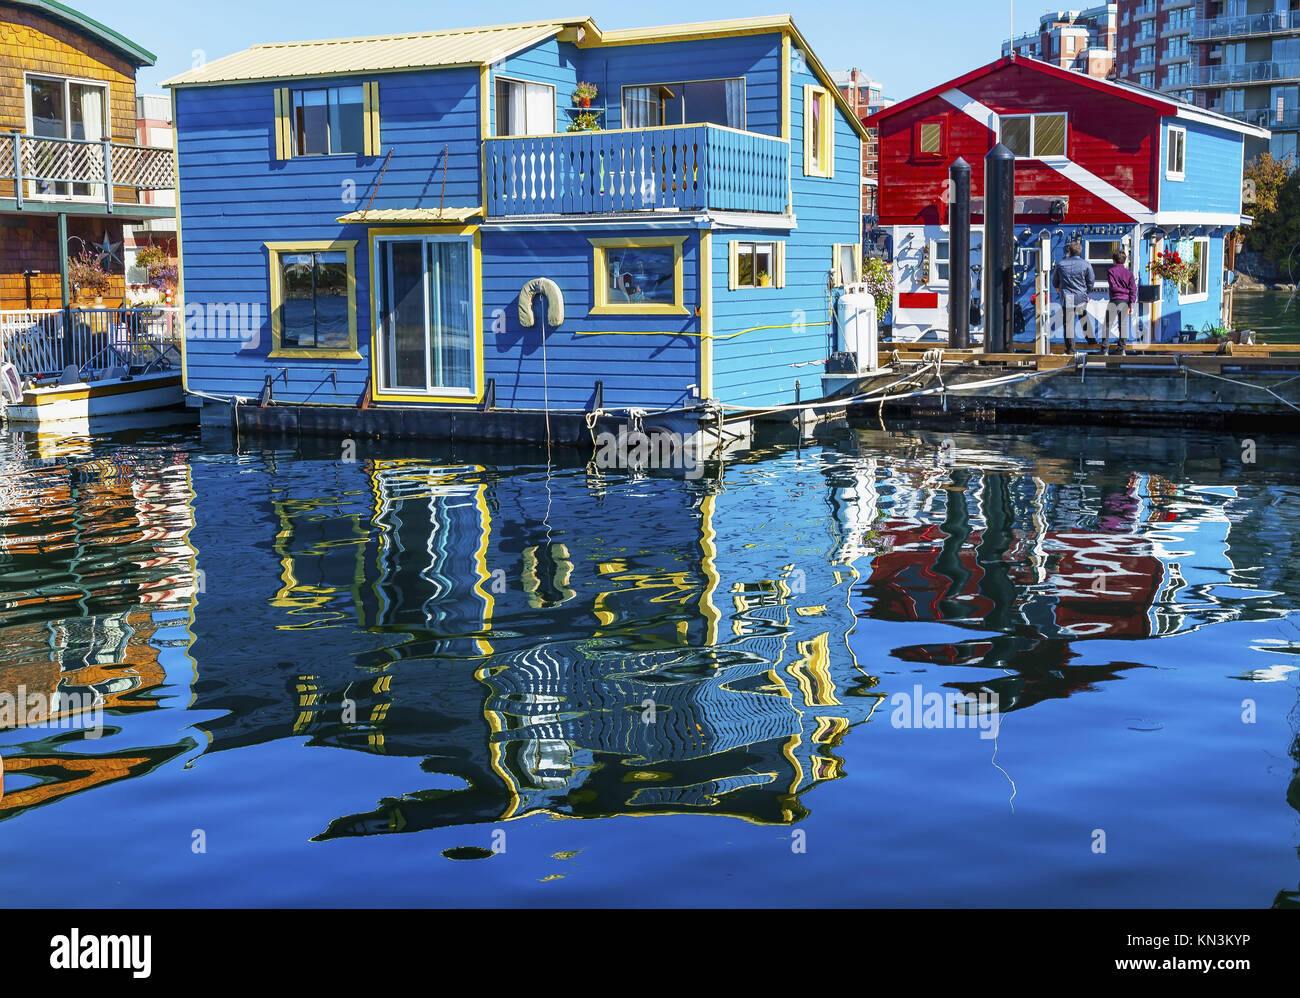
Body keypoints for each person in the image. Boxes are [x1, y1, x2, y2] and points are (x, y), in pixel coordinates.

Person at [1051, 241, 1095, 352]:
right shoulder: (1086, 264)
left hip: (1068, 296)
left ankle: (1070, 349)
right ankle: (1091, 341)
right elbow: (1091, 281)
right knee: (1083, 317)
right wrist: (1086, 293)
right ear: (1080, 252)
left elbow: (1055, 281)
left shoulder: (1061, 264)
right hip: (1081, 296)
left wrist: (1059, 290)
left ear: (1069, 251)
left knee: (1069, 323)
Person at [1105, 249, 1136, 355]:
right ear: (1124, 261)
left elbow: (1113, 287)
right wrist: (1131, 302)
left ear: (1114, 260)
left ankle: (1105, 348)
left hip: (1114, 300)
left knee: (1107, 325)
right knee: (1123, 325)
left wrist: (1123, 291)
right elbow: (1133, 290)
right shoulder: (1129, 273)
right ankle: (1121, 348)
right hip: (1125, 301)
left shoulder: (1111, 271)